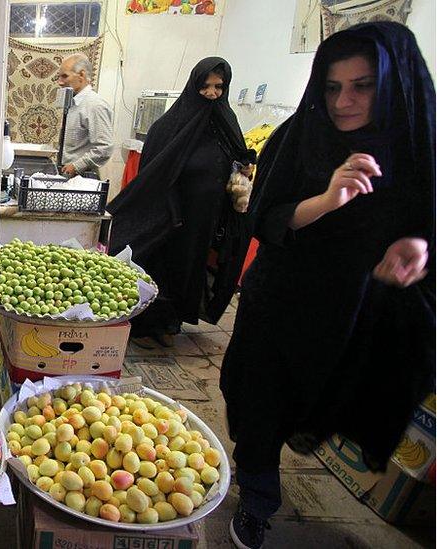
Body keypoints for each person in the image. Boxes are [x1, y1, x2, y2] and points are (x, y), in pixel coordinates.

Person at [220, 22, 434, 549]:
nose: (344, 102)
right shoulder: (303, 135)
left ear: (394, 85)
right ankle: (258, 499)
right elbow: (267, 218)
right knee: (262, 400)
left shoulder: (417, 143)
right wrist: (328, 199)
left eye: (362, 86)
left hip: (363, 308)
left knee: (348, 397)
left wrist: (420, 249)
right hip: (287, 296)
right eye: (333, 87)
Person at [105, 57, 255, 347]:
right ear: (193, 85)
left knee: (189, 270)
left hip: (205, 220)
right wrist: (171, 210)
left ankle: (171, 324)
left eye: (219, 87)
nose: (212, 93)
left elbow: (238, 155)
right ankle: (147, 325)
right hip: (170, 217)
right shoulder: (169, 126)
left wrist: (243, 167)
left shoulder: (226, 122)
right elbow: (155, 175)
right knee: (161, 268)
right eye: (205, 87)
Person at [56, 53, 114, 179]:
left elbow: (105, 147)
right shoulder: (73, 103)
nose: (60, 82)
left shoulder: (94, 105)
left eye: (64, 76)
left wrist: (77, 166)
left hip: (83, 179)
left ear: (81, 75)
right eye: (59, 77)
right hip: (70, 176)